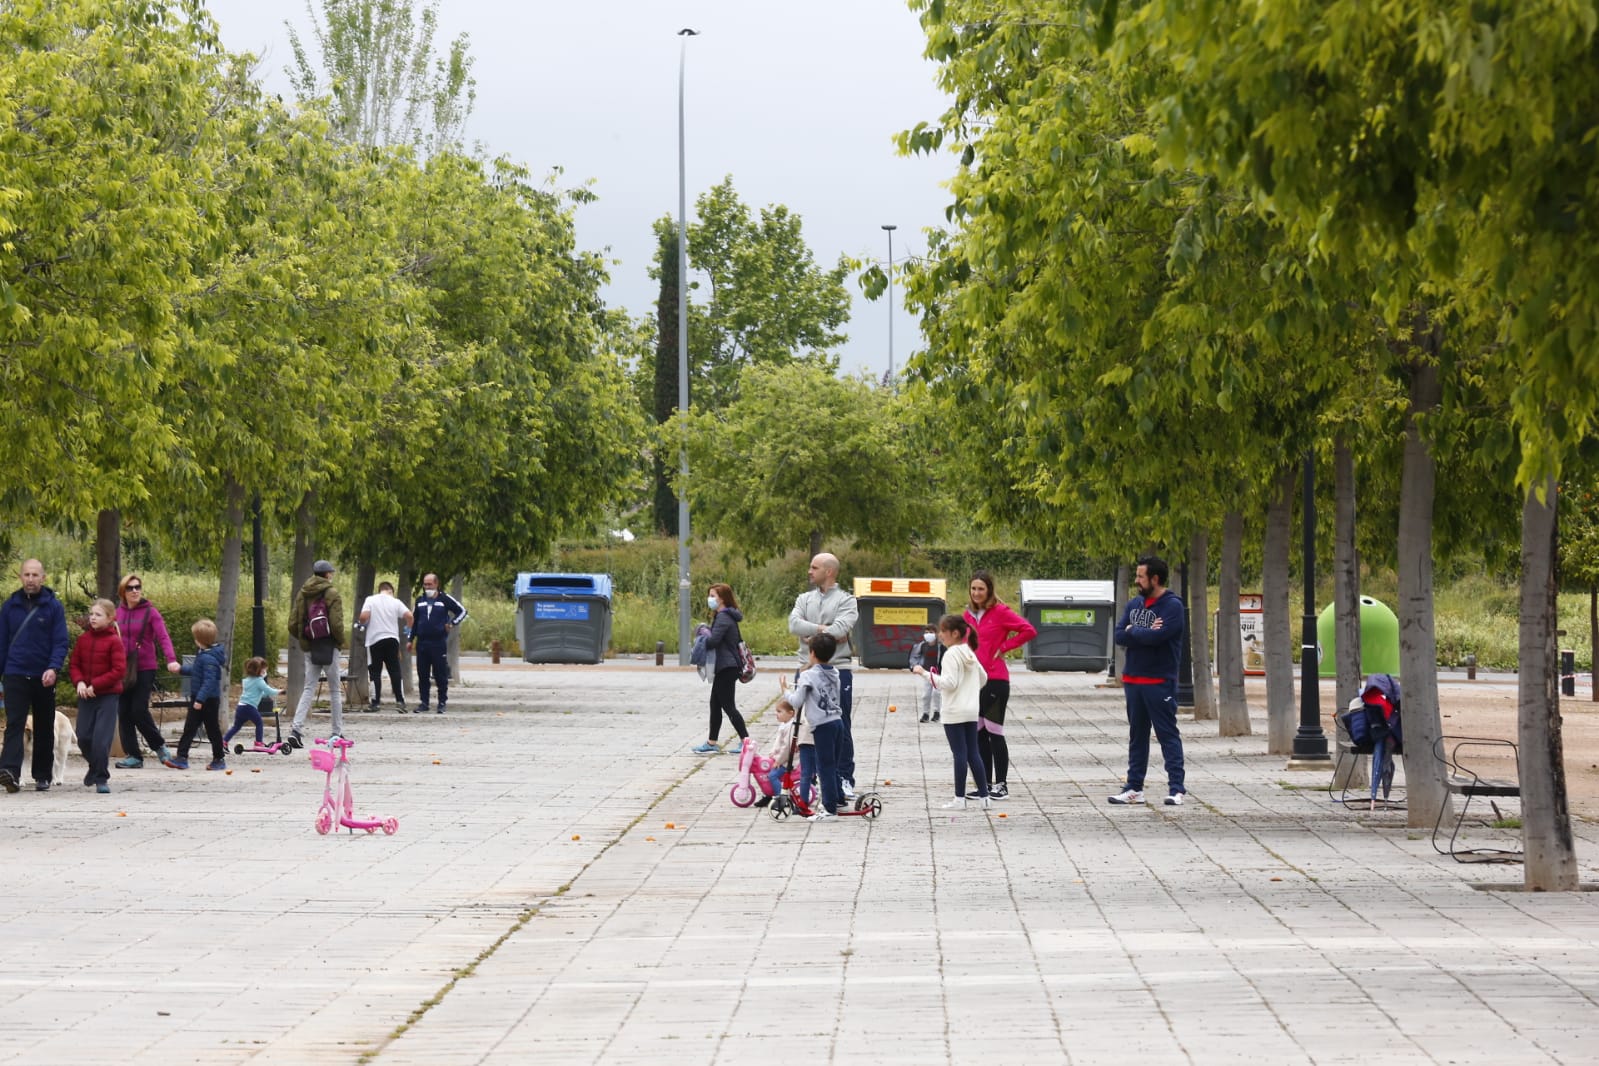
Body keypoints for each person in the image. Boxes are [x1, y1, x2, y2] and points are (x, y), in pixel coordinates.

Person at [1109, 555, 1188, 806]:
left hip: (1159, 682)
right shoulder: (1135, 604)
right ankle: (1134, 788)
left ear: (1155, 578)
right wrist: (1141, 631)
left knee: (1167, 734)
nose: (1136, 580)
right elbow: (1120, 634)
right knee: (1137, 735)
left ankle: (1176, 788)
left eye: (1140, 576)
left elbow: (1161, 636)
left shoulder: (1172, 606)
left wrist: (1136, 632)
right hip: (1133, 681)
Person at [787, 553, 858, 796]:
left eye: (814, 567)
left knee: (840, 724)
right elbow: (794, 625)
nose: (809, 571)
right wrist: (823, 630)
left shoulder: (847, 601)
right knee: (805, 724)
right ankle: (812, 775)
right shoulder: (804, 599)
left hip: (838, 669)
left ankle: (843, 777)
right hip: (806, 668)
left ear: (829, 571)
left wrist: (813, 635)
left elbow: (842, 629)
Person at [964, 570, 1037, 801]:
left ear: (989, 590)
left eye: (981, 589)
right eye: (973, 589)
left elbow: (1029, 630)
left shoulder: (1001, 612)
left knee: (994, 732)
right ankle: (984, 784)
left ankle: (1001, 785)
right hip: (973, 682)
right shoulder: (967, 615)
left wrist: (1004, 648)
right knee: (978, 733)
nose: (976, 593)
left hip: (996, 681)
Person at [0, 559, 71, 793]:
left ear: (43, 577)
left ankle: (42, 774)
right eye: (27, 575)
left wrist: (53, 667)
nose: (30, 579)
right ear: (20, 577)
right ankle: (9, 771)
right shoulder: (10, 607)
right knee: (15, 724)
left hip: (43, 675)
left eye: (35, 575)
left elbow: (60, 641)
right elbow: (2, 642)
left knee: (43, 725)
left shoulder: (54, 607)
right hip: (15, 673)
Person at [915, 613, 989, 810]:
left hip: (954, 712)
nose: (940, 635)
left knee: (959, 754)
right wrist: (970, 692)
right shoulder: (969, 652)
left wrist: (925, 673)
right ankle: (984, 797)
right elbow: (983, 678)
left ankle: (959, 798)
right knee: (974, 753)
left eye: (943, 631)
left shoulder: (950, 654)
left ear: (955, 633)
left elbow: (948, 683)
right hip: (971, 710)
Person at [113, 573, 180, 768]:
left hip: (145, 667)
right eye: (130, 588)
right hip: (123, 668)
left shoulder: (151, 612)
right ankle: (133, 756)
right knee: (124, 711)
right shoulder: (118, 613)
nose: (135, 591)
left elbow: (163, 637)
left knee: (138, 709)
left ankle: (160, 747)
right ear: (123, 592)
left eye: (137, 587)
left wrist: (171, 660)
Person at [779, 632, 844, 821]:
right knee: (832, 767)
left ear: (812, 652)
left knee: (824, 768)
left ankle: (829, 810)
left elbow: (797, 702)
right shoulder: (835, 672)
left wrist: (785, 690)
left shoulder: (807, 675)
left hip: (822, 726)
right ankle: (836, 801)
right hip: (837, 722)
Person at [69, 598, 125, 794]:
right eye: (91, 614)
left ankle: (102, 778)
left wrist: (97, 685)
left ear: (110, 618)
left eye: (98, 615)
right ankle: (94, 766)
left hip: (107, 696)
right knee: (83, 737)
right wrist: (81, 682)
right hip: (86, 696)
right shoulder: (83, 640)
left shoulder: (114, 641)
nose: (93, 618)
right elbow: (74, 665)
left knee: (101, 740)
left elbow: (118, 670)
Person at [289, 560, 346, 744]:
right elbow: (336, 624)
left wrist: (305, 639)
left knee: (308, 688)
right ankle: (336, 731)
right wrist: (339, 641)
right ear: (328, 574)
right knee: (335, 690)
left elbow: (293, 623)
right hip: (329, 646)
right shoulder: (332, 593)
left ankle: (296, 730)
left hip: (311, 646)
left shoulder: (303, 593)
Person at [692, 583, 749, 755]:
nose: (710, 599)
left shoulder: (723, 617)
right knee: (715, 704)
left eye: (713, 596)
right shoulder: (725, 615)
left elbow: (714, 641)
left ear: (722, 599)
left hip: (727, 666)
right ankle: (712, 742)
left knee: (728, 706)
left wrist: (703, 635)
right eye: (709, 595)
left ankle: (745, 741)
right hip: (725, 666)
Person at [163, 619, 227, 771]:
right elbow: (197, 672)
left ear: (199, 640)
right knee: (190, 728)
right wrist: (181, 669)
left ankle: (219, 759)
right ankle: (182, 757)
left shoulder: (209, 658)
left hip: (207, 700)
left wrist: (200, 699)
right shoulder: (203, 654)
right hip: (199, 698)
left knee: (212, 730)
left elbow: (209, 681)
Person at [409, 572, 467, 714]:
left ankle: (442, 702)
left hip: (438, 642)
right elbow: (414, 622)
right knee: (422, 674)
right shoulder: (420, 601)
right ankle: (424, 702)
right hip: (422, 643)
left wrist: (452, 623)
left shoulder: (444, 599)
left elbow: (462, 611)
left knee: (440, 674)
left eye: (430, 584)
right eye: (425, 584)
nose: (427, 587)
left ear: (436, 584)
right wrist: (410, 640)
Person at [358, 580, 412, 713]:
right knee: (395, 670)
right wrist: (408, 629)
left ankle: (375, 703)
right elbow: (409, 616)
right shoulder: (396, 602)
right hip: (392, 639)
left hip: (374, 640)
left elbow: (364, 616)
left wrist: (362, 623)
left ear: (380, 590)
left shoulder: (370, 600)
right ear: (391, 591)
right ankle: (400, 701)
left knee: (375, 672)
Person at [224, 656, 281, 748]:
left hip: (241, 706)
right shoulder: (259, 681)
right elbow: (269, 690)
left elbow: (258, 693)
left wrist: (267, 695)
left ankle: (224, 741)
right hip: (249, 707)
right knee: (259, 722)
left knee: (236, 726)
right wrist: (279, 691)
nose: (265, 673)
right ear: (258, 671)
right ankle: (258, 742)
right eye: (264, 671)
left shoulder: (247, 680)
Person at [753, 700, 797, 809]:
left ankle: (780, 799)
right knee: (765, 771)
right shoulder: (784, 725)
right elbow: (778, 742)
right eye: (776, 711)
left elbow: (787, 747)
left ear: (790, 713)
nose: (776, 714)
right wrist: (773, 752)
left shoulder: (790, 727)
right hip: (780, 757)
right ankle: (768, 795)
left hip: (787, 762)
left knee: (772, 776)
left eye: (779, 711)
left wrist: (779, 760)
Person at [909, 626, 942, 723]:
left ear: (936, 633)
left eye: (931, 632)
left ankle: (937, 712)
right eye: (926, 632)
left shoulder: (941, 646)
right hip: (926, 673)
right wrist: (915, 667)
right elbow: (915, 656)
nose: (928, 634)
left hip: (938, 673)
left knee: (936, 693)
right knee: (926, 695)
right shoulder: (922, 646)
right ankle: (925, 713)